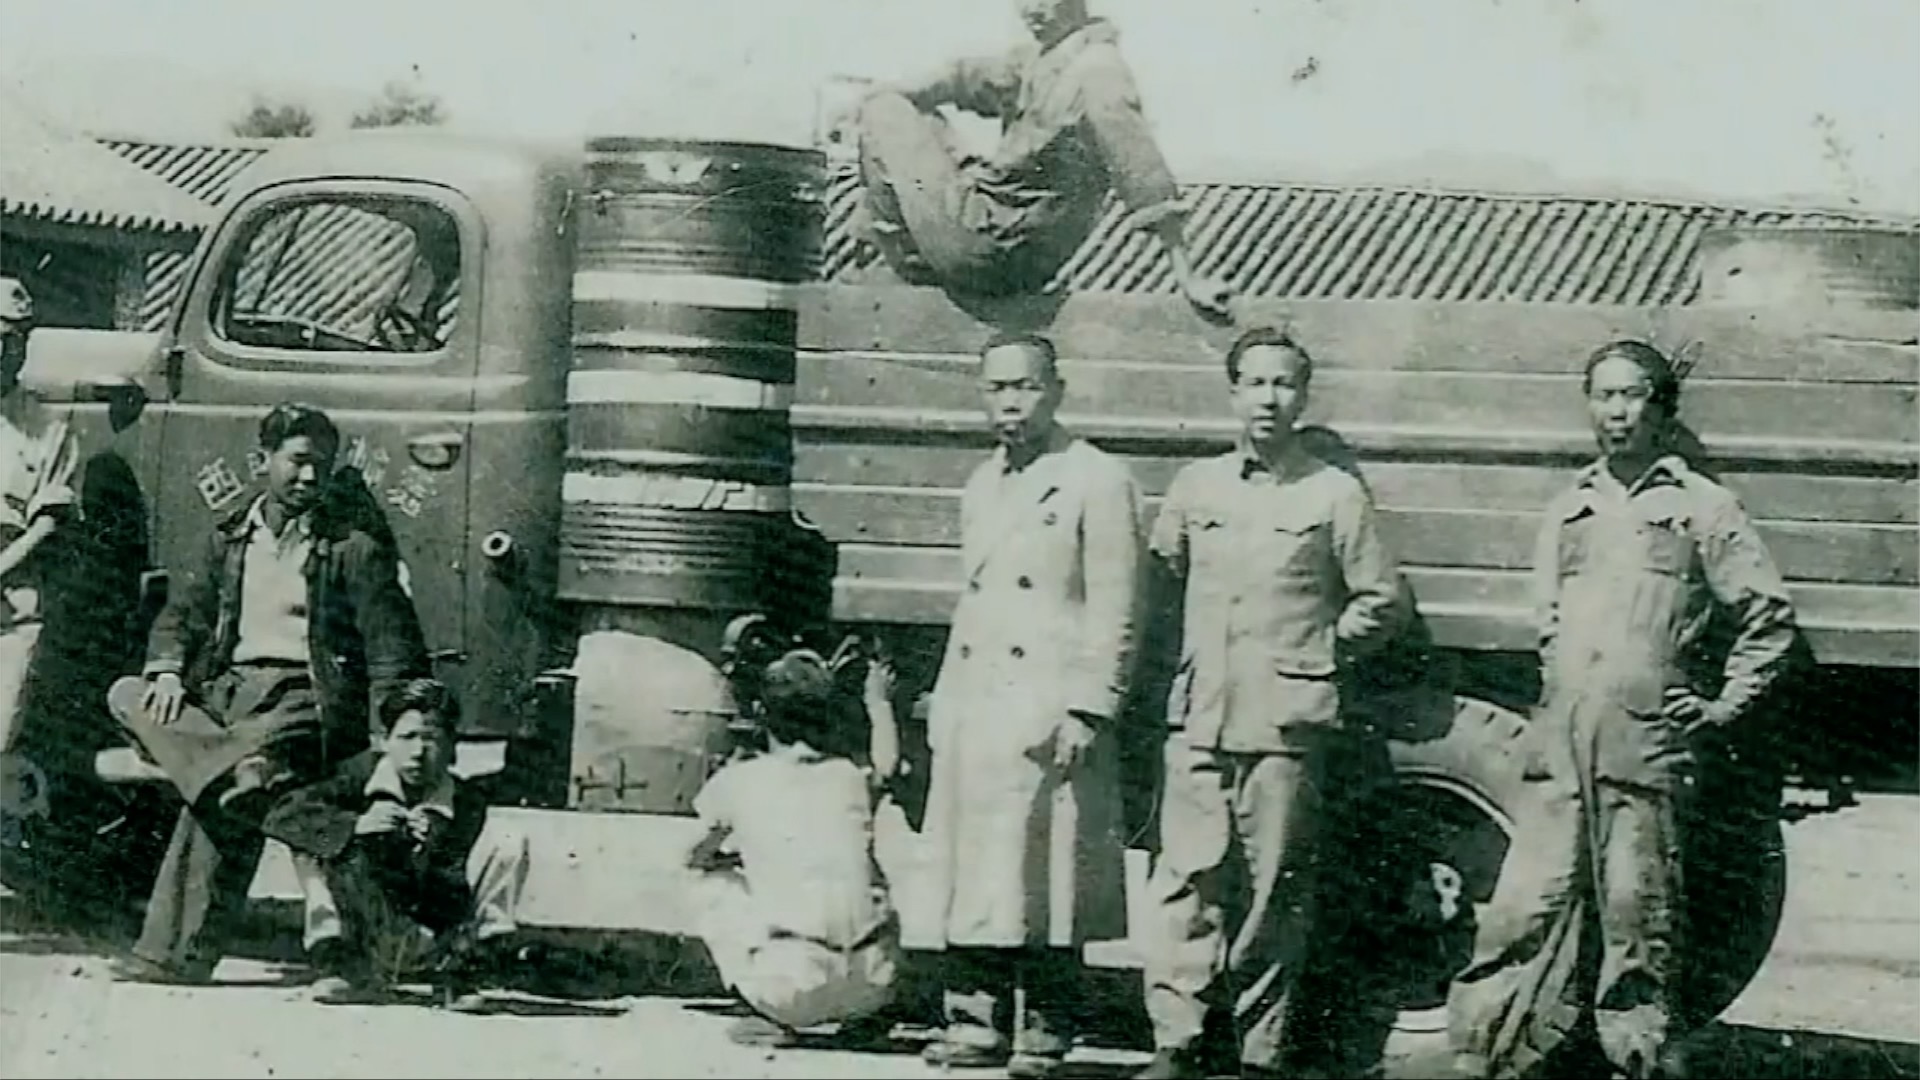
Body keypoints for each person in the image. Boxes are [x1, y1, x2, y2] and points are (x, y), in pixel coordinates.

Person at [1447, 340, 1799, 1080]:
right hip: (1561, 744)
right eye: (1603, 396)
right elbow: (1547, 620)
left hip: (1647, 747)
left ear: (1661, 409)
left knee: (1639, 920)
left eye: (1633, 395)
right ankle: (1477, 1055)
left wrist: (1721, 704)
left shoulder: (1703, 509)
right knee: (1519, 908)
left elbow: (1766, 617)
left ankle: (1637, 1061)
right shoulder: (1569, 508)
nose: (1616, 411)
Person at [1136, 326, 1409, 1079]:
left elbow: (1380, 599)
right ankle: (1177, 1042)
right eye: (1254, 382)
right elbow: (1161, 581)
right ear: (1232, 394)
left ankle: (1259, 1053)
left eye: (1283, 383)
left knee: (1273, 893)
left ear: (1303, 396)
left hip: (1285, 724)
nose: (1268, 397)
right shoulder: (1197, 488)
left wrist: (1320, 653)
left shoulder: (1333, 493)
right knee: (1182, 883)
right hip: (1198, 719)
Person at [108, 402, 429, 985]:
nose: (310, 477)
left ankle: (170, 953)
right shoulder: (231, 538)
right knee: (128, 693)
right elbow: (182, 615)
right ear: (264, 461)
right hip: (226, 699)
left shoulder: (352, 548)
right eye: (299, 461)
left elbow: (392, 646)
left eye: (322, 466)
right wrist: (168, 672)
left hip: (303, 699)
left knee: (211, 796)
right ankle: (244, 777)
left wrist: (395, 728)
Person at [915, 331, 1144, 1078]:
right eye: (997, 388)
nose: (1011, 402)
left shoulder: (1095, 479)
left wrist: (1088, 707)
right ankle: (974, 1021)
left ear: (1057, 389)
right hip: (979, 703)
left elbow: (1117, 605)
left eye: (1025, 387)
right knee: (976, 866)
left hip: (1048, 705)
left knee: (1049, 872)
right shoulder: (980, 483)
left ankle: (1045, 1030)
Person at [849, 0, 1231, 319]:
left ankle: (904, 262)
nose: (1031, 10)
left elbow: (1142, 171)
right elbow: (966, 77)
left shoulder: (1097, 72)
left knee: (883, 109)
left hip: (993, 247)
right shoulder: (1047, 58)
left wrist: (1189, 277)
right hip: (1010, 248)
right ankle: (899, 254)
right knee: (910, 108)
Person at [260, 678, 529, 1011]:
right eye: (407, 737)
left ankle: (463, 972)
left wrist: (436, 842)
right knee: (312, 842)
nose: (418, 752)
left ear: (452, 747)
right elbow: (281, 814)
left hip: (429, 930)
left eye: (431, 739)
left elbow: (451, 891)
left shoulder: (464, 801)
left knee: (506, 840)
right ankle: (339, 964)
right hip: (361, 921)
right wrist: (355, 826)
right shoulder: (356, 777)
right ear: (385, 742)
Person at [687, 648, 903, 1048]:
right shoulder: (848, 776)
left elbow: (694, 856)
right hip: (873, 984)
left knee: (710, 883)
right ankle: (868, 1016)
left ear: (761, 714)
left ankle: (765, 1012)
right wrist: (879, 702)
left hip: (791, 989)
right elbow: (886, 767)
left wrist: (735, 859)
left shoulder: (738, 780)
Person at [0, 276, 79, 758]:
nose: (9, 351)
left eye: (19, 339)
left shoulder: (48, 425)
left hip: (12, 601)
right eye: (2, 337)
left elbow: (48, 521)